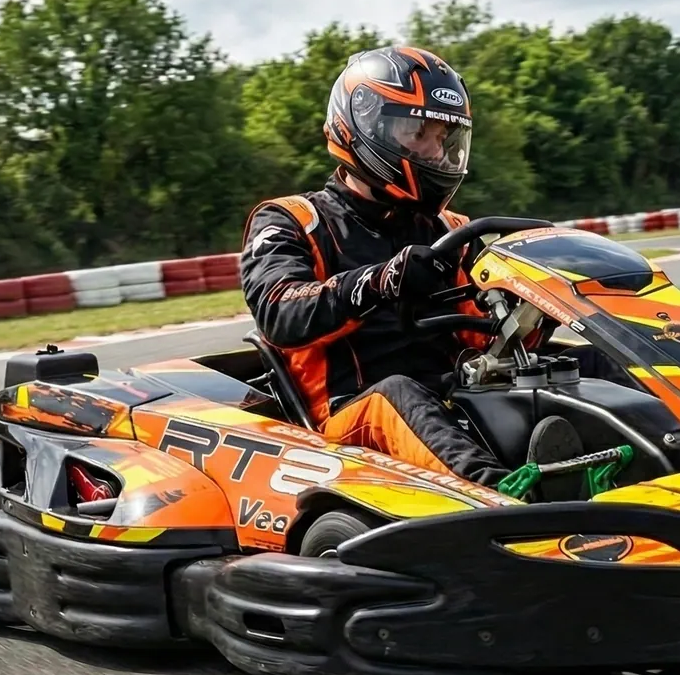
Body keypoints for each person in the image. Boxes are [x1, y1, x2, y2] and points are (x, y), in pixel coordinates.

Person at [239, 45, 583, 492]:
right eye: (419, 132)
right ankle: (508, 501)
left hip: (454, 391)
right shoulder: (293, 220)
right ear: (365, 124)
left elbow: (485, 339)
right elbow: (279, 310)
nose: (436, 152)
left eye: (444, 138)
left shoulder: (450, 228)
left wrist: (534, 310)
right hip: (347, 418)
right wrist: (379, 281)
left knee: (579, 362)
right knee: (399, 393)